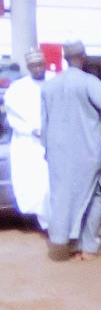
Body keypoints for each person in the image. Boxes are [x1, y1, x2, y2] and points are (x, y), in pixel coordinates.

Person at [41, 41, 101, 261]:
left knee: (63, 198)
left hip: (57, 154)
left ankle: (64, 243)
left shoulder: (49, 86)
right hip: (86, 153)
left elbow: (44, 125)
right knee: (95, 197)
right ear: (82, 57)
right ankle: (88, 248)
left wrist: (48, 151)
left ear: (65, 58)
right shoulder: (88, 82)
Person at [3, 49, 54, 229]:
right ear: (28, 67)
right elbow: (13, 117)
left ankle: (51, 225)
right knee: (35, 185)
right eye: (33, 65)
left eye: (39, 64)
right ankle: (44, 223)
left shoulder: (54, 81)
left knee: (51, 185)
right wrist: (31, 129)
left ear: (45, 63)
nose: (37, 68)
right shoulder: (18, 88)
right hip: (29, 143)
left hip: (53, 142)